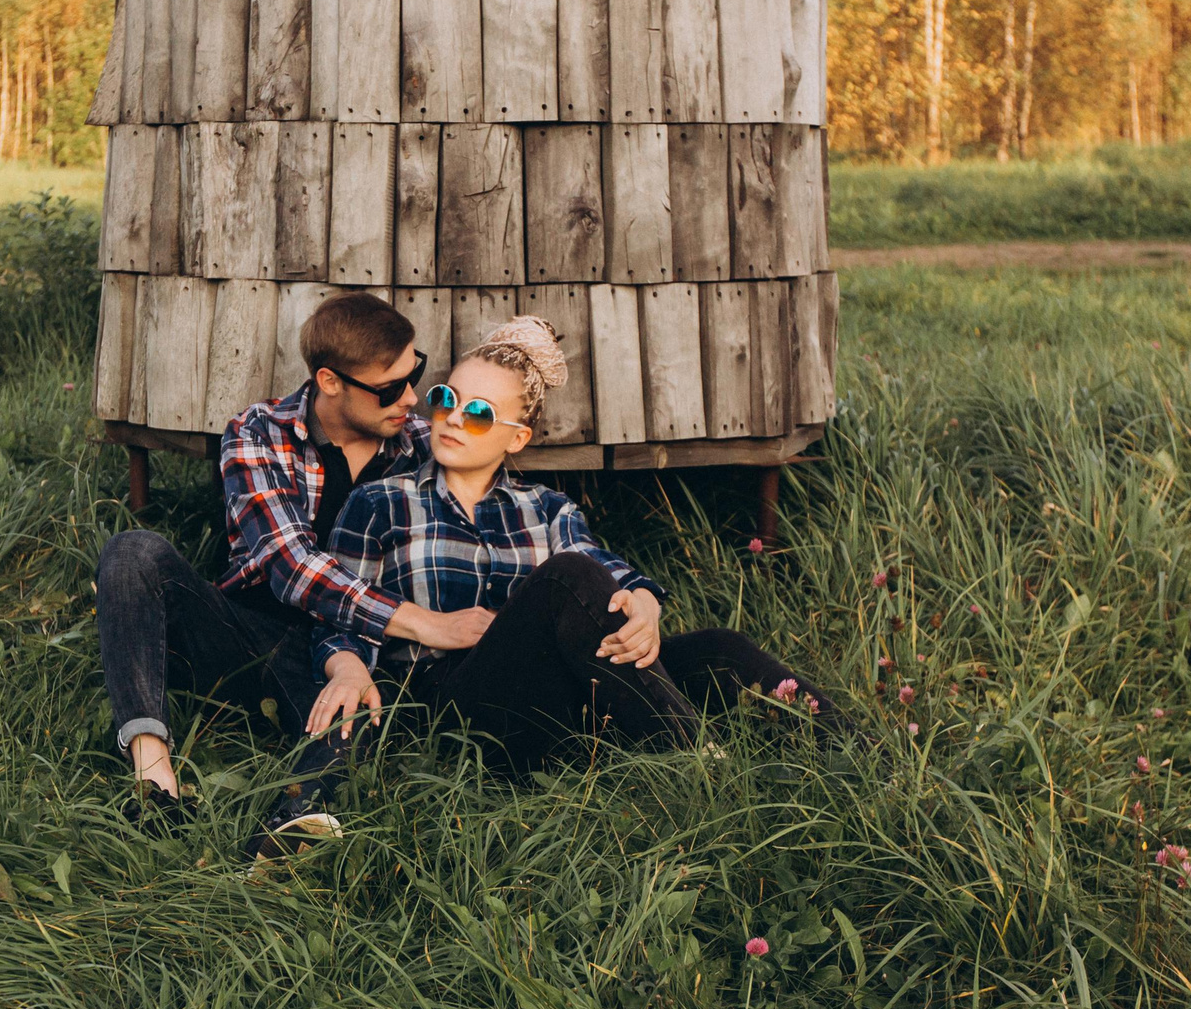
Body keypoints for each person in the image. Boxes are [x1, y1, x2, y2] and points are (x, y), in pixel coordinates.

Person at [264, 317, 831, 847]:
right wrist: (349, 665)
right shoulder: (380, 503)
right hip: (456, 711)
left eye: (479, 412)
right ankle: (701, 766)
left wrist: (644, 603)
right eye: (445, 400)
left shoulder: (549, 510)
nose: (454, 419)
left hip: (556, 703)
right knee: (565, 578)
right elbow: (344, 617)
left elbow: (608, 578)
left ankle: (851, 752)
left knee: (718, 648)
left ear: (517, 438)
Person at [94, 293, 493, 829]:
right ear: (330, 381)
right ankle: (155, 786)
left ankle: (289, 830)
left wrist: (631, 590)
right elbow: (291, 566)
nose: (411, 398)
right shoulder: (257, 433)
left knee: (361, 710)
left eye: (413, 373)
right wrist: (428, 624)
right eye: (390, 389)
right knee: (131, 551)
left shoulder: (423, 446)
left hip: (355, 648)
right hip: (248, 630)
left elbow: (506, 518)